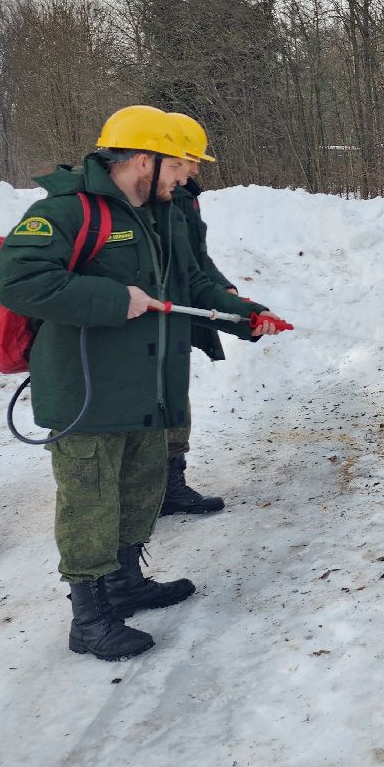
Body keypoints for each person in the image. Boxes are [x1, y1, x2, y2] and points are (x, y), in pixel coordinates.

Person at [0, 105, 288, 661]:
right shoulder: (66, 212)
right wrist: (113, 300)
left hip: (148, 388)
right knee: (91, 501)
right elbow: (16, 279)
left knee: (140, 488)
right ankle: (89, 618)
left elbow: (190, 281)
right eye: (179, 166)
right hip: (89, 394)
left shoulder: (157, 215)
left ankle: (125, 583)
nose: (185, 178)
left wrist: (245, 315)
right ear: (144, 159)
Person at [161, 111, 239, 516]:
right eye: (186, 159)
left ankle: (169, 484)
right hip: (147, 321)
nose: (193, 168)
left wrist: (222, 288)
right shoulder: (140, 200)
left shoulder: (185, 195)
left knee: (174, 397)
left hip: (178, 313)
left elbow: (195, 258)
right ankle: (142, 497)